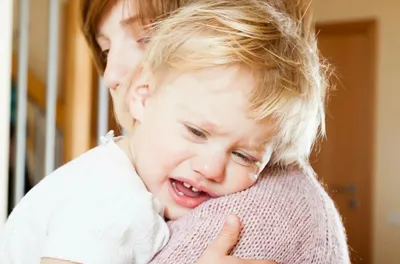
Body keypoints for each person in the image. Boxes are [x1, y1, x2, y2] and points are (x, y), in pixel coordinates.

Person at [0, 1, 293, 263]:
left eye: (243, 155)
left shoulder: (121, 179)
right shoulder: (114, 204)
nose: (212, 167)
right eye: (195, 132)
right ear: (143, 95)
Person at [83, 0, 351, 263]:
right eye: (105, 50)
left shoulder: (255, 218)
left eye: (147, 36)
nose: (110, 75)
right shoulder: (104, 183)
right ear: (143, 96)